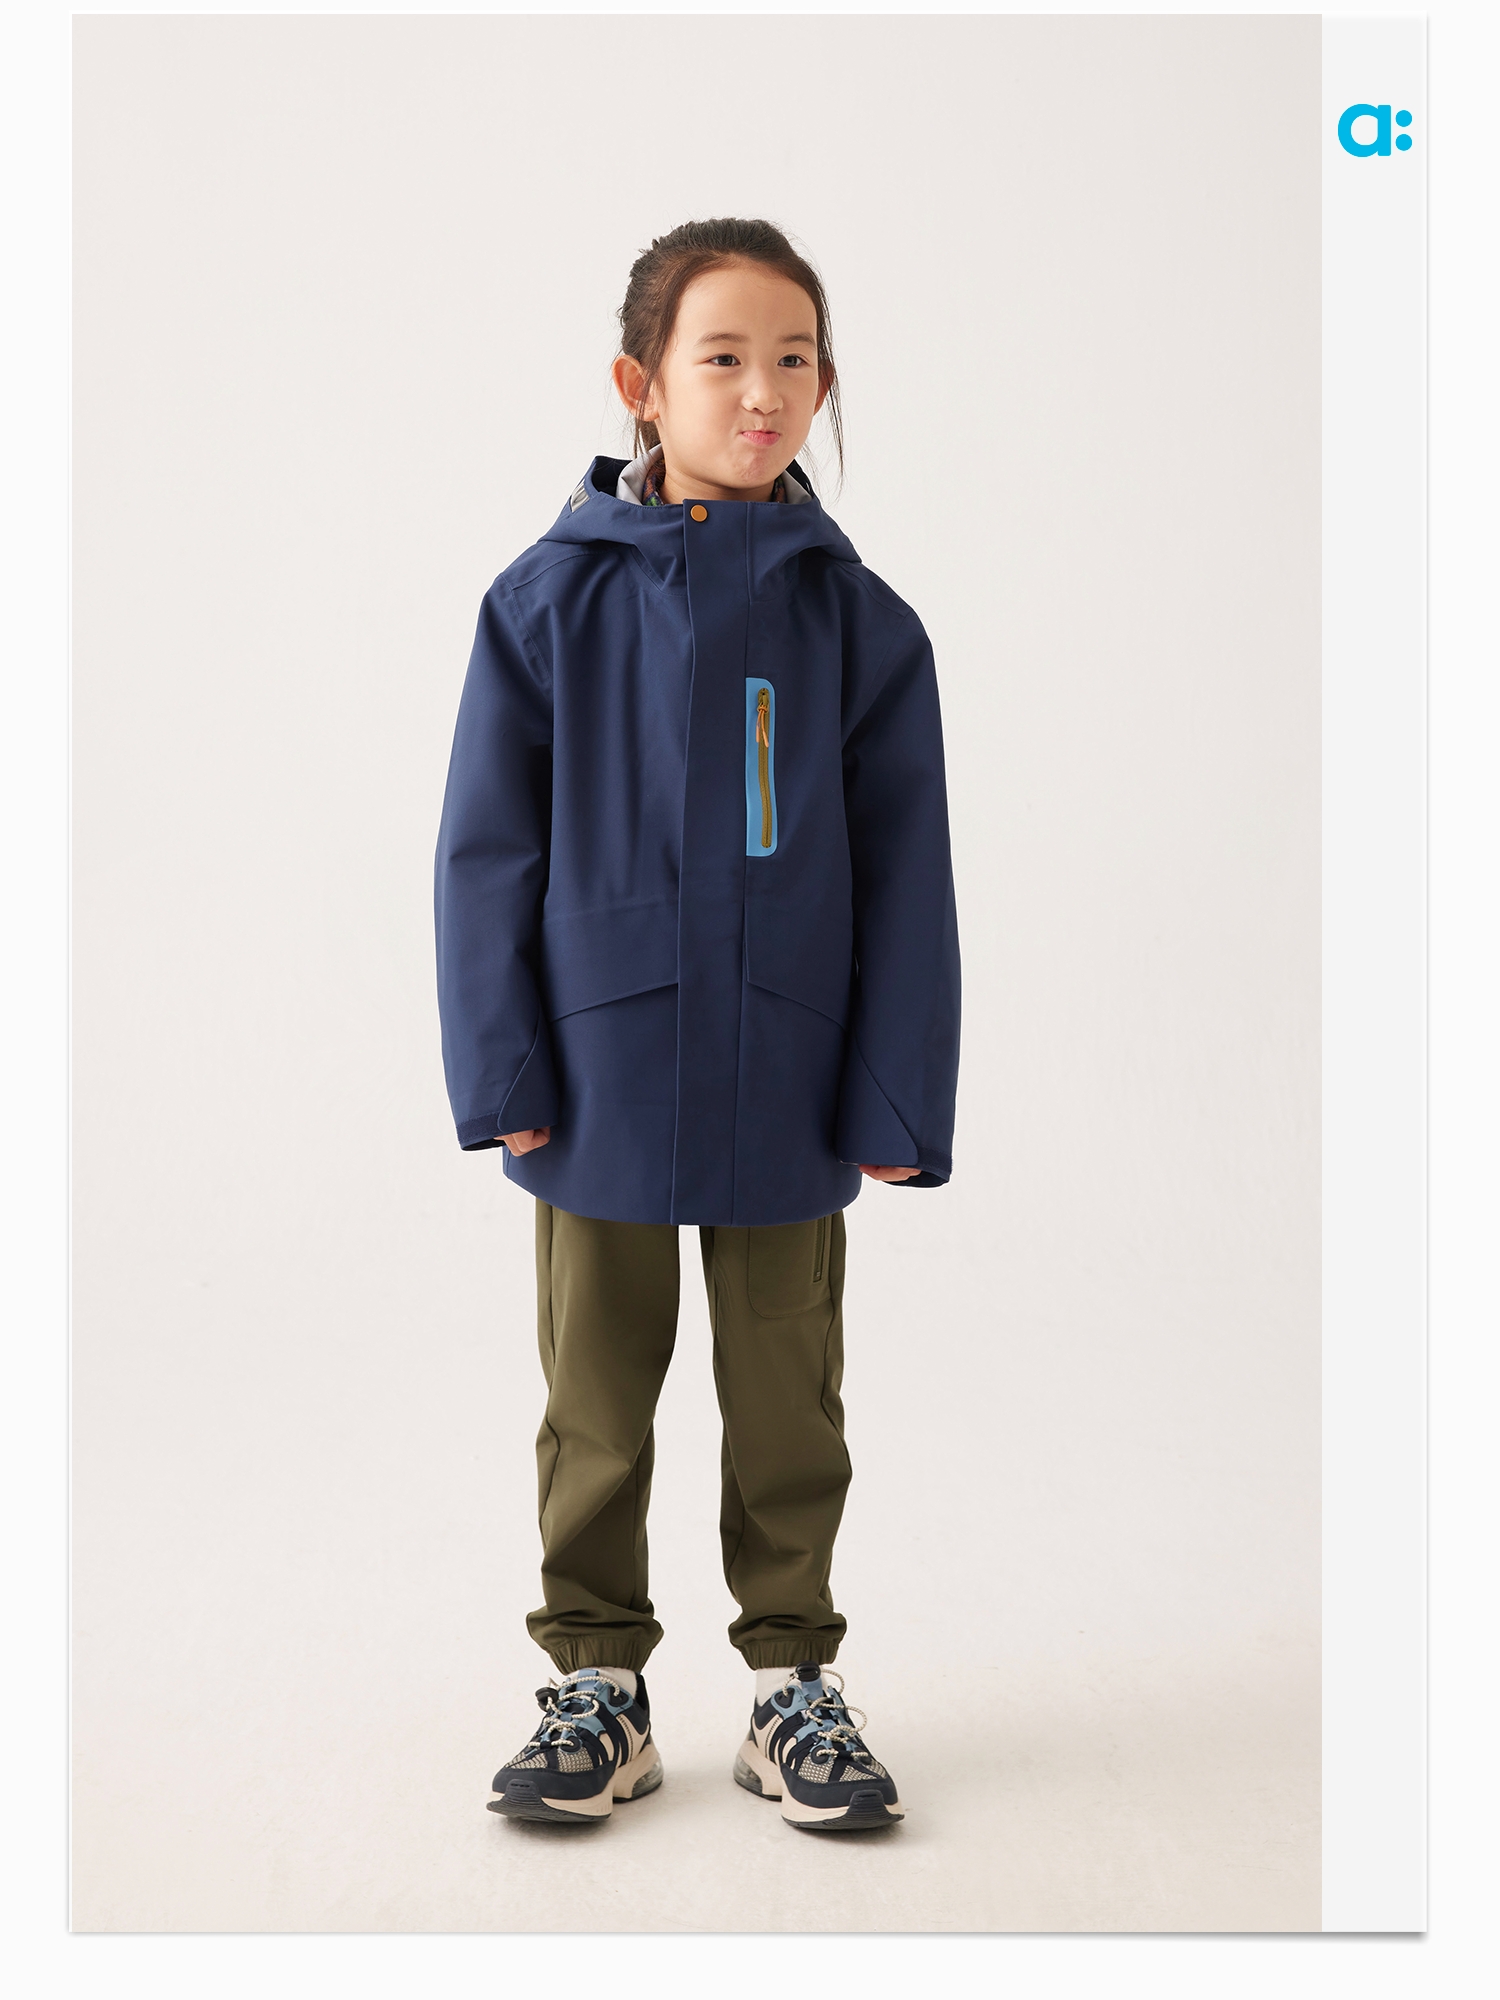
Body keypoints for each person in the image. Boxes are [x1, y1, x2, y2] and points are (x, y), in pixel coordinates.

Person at [434, 217, 960, 1833]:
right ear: (640, 385)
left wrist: (895, 1095)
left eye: (794, 359)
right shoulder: (549, 604)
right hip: (599, 1065)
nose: (762, 391)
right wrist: (503, 1066)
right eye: (722, 357)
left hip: (791, 1066)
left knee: (790, 1395)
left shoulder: (861, 625)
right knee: (596, 1396)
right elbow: (485, 852)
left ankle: (792, 1681)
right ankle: (597, 1680)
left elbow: (908, 874)